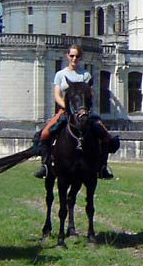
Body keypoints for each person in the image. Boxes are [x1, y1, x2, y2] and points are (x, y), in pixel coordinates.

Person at [32, 44, 119, 179]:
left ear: (80, 57)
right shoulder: (60, 75)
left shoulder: (85, 75)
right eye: (72, 56)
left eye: (77, 56)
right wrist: (67, 108)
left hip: (84, 112)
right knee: (44, 134)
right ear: (67, 56)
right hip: (65, 111)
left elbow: (90, 95)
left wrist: (83, 109)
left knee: (106, 136)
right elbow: (57, 95)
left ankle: (102, 167)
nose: (74, 59)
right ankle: (46, 166)